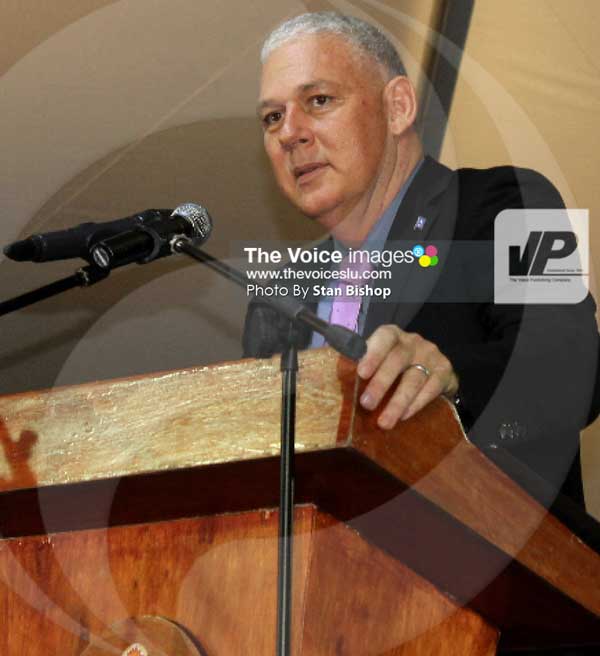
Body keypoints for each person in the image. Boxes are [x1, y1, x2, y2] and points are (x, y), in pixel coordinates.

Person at [243, 12, 600, 509]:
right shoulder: (278, 294)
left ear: (398, 107)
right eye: (272, 118)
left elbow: (574, 367)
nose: (290, 133)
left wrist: (452, 376)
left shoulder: (514, 201)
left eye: (318, 100)